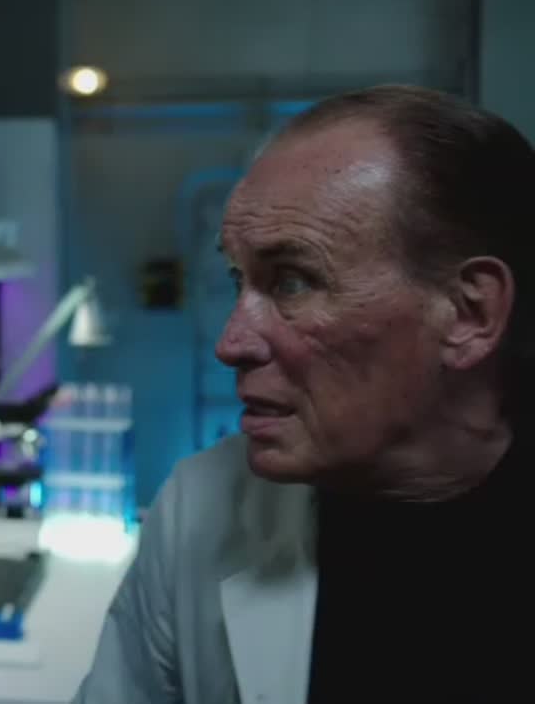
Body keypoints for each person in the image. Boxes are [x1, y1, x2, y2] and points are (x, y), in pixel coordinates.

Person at [73, 85, 535, 704]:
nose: (232, 343)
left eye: (292, 282)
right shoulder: (200, 508)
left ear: (468, 312)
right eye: (239, 280)